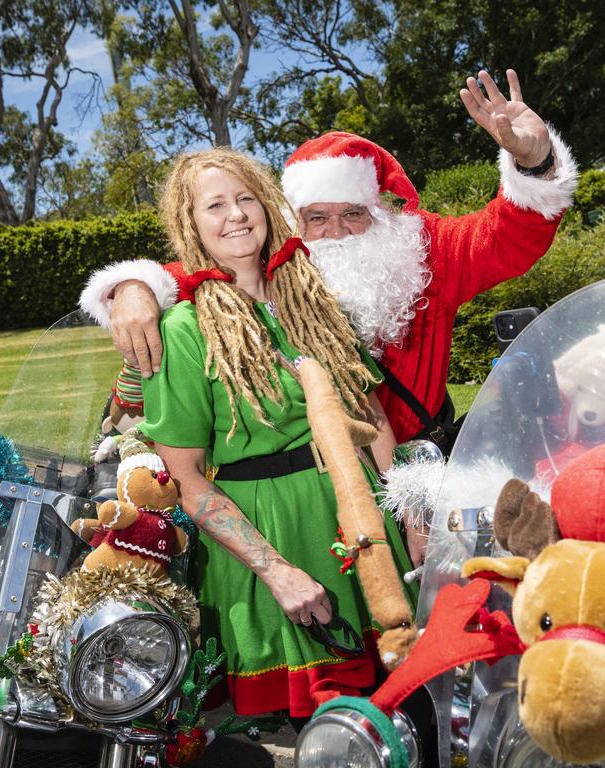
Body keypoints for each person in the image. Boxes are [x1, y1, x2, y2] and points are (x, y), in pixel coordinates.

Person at [81, 69, 579, 451]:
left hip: (421, 461)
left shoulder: (422, 249)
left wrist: (534, 161)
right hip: (318, 475)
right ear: (295, 221)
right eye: (317, 218)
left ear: (379, 209)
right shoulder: (276, 262)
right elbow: (195, 274)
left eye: (352, 214)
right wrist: (133, 287)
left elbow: (509, 236)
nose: (335, 232)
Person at [137, 147, 416, 718]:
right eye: (215, 205)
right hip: (275, 538)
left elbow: (373, 417)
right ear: (191, 225)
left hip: (363, 521)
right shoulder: (182, 328)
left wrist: (411, 514)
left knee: (406, 707)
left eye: (245, 199)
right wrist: (279, 573)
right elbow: (190, 483)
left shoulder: (311, 296)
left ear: (266, 207)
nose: (236, 215)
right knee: (328, 728)